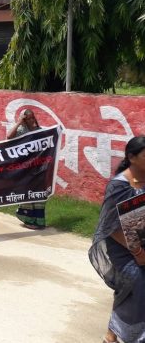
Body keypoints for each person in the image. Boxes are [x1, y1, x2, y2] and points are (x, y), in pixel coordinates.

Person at [90, 136, 145, 343]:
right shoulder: (119, 186)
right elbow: (112, 227)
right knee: (137, 281)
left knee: (131, 288)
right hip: (123, 246)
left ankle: (111, 335)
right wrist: (138, 252)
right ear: (132, 157)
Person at [8, 109, 45, 229]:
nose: (31, 120)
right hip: (25, 169)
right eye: (27, 118)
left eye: (32, 117)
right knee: (27, 193)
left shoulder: (40, 131)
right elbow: (9, 137)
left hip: (38, 168)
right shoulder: (21, 131)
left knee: (39, 195)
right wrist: (19, 123)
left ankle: (39, 222)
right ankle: (29, 220)